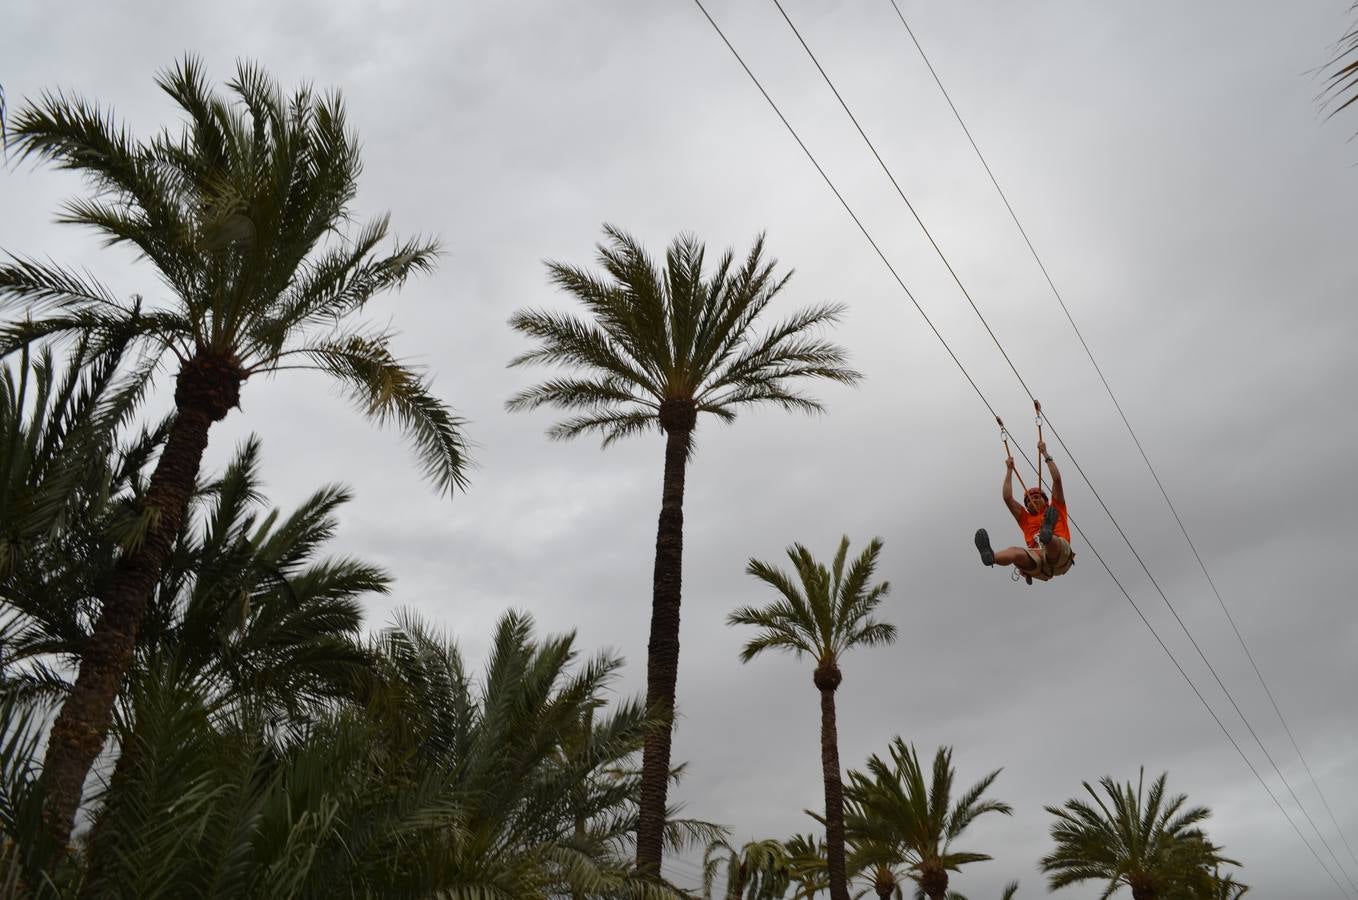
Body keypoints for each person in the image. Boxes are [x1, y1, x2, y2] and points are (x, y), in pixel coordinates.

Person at [974, 441, 1075, 582]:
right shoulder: (1025, 519)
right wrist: (1009, 470)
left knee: (1052, 541)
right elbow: (1007, 498)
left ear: (1046, 501)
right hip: (1039, 562)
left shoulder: (1056, 507)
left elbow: (1056, 480)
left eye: (1036, 497)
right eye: (1028, 501)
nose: (1031, 501)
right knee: (1015, 552)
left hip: (1059, 557)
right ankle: (991, 557)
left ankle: (1048, 534)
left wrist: (1045, 454)